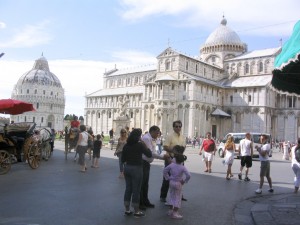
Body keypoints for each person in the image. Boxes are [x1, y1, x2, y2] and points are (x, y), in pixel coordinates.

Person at [121, 128, 152, 218]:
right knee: (136, 190)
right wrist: (144, 144)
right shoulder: (140, 145)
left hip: (127, 168)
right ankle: (136, 211)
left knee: (128, 189)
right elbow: (149, 154)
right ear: (138, 137)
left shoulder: (126, 146)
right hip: (137, 168)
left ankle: (127, 209)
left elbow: (123, 159)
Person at [140, 126, 167, 210]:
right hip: (143, 162)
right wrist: (162, 157)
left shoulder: (151, 138)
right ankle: (141, 203)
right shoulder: (147, 138)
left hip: (146, 163)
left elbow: (153, 151)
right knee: (142, 184)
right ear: (152, 131)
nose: (158, 134)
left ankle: (145, 201)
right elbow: (150, 153)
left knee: (145, 184)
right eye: (157, 133)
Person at [160, 120, 186, 203]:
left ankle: (179, 195)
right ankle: (163, 196)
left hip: (180, 160)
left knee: (179, 178)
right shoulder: (170, 136)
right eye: (176, 126)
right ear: (173, 127)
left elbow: (184, 147)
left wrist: (181, 152)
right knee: (167, 178)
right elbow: (165, 147)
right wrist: (174, 150)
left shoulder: (183, 137)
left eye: (179, 126)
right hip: (171, 159)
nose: (178, 128)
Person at [163, 145, 191, 219]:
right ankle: (175, 213)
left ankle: (170, 211)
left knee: (171, 196)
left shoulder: (172, 164)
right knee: (178, 198)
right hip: (179, 182)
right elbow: (188, 175)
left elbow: (165, 170)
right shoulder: (182, 167)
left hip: (171, 181)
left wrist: (167, 178)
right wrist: (184, 181)